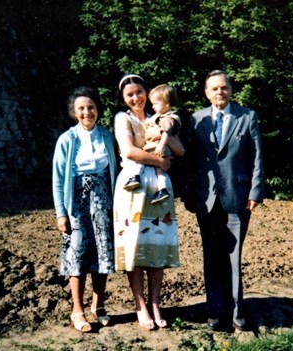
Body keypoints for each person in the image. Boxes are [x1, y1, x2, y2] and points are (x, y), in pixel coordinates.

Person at [184, 70, 264, 332]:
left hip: (237, 198)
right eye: (214, 89)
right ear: (206, 93)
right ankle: (216, 311)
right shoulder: (196, 120)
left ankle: (238, 312)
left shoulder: (247, 117)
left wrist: (255, 192)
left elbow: (257, 159)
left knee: (233, 256)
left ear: (231, 90)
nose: (220, 92)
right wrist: (189, 194)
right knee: (211, 256)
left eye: (224, 87)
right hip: (206, 201)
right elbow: (190, 161)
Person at [113, 74, 185, 330]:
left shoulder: (159, 116)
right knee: (134, 247)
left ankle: (155, 304)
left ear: (147, 93)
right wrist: (159, 161)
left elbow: (179, 150)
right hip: (132, 189)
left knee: (155, 245)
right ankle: (140, 305)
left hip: (158, 190)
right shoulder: (123, 119)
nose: (136, 97)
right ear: (123, 99)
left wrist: (167, 130)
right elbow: (129, 151)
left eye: (139, 92)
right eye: (129, 94)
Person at [52, 86, 118, 333]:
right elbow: (58, 179)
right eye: (81, 108)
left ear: (97, 110)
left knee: (102, 253)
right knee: (77, 254)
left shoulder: (107, 137)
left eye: (90, 107)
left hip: (103, 203)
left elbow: (116, 173)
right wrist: (61, 212)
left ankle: (98, 306)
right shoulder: (67, 140)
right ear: (74, 112)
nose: (86, 112)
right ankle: (77, 311)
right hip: (76, 205)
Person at [123, 84, 181, 205]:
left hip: (158, 147)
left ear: (167, 103)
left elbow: (166, 132)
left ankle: (136, 177)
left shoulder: (169, 118)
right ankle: (162, 190)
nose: (152, 106)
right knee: (159, 171)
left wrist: (160, 143)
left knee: (140, 158)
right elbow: (149, 122)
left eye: (155, 103)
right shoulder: (158, 116)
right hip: (158, 148)